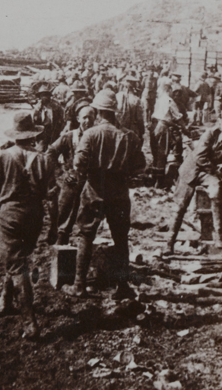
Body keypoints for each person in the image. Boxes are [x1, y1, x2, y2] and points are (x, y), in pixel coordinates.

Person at [62, 89, 145, 300]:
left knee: (86, 236)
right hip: (119, 192)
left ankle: (79, 285)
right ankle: (122, 286)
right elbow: (140, 165)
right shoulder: (129, 136)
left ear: (98, 111)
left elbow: (78, 164)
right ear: (114, 111)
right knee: (120, 238)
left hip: (94, 190)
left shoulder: (90, 134)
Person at [0, 112, 55, 339]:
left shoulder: (2, 157)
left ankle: (30, 322)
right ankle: (6, 298)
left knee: (17, 264)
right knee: (18, 257)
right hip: (34, 216)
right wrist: (54, 226)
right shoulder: (44, 159)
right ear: (32, 135)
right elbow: (53, 197)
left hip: (10, 215)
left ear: (15, 135)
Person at [164, 112, 222, 257]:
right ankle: (169, 243)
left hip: (207, 174)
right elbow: (200, 158)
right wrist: (217, 171)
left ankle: (218, 237)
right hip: (192, 170)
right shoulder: (210, 134)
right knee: (180, 207)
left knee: (216, 191)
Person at [46, 102, 96, 245]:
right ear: (78, 119)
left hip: (90, 182)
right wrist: (61, 173)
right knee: (63, 213)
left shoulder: (97, 136)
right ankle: (57, 241)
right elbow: (50, 153)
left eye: (91, 118)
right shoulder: (70, 136)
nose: (88, 121)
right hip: (72, 180)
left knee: (87, 217)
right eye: (85, 118)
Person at [150, 81, 188, 173]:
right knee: (162, 153)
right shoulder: (169, 101)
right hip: (163, 127)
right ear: (169, 90)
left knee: (155, 152)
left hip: (154, 126)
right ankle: (160, 180)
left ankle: (154, 176)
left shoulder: (159, 100)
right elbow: (178, 117)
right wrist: (185, 130)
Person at [32, 83, 65, 148]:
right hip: (42, 131)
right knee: (41, 148)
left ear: (49, 96)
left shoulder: (55, 105)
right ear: (40, 96)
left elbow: (62, 117)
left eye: (46, 95)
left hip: (54, 129)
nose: (44, 97)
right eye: (42, 95)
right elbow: (34, 120)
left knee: (54, 147)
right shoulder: (38, 107)